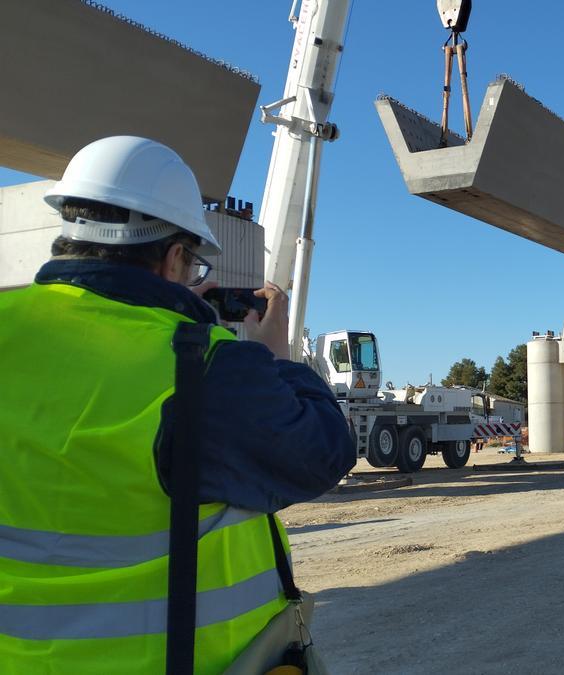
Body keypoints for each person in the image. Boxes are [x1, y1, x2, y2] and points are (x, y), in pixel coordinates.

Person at [0, 136, 356, 673]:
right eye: (191, 267)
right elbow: (325, 452)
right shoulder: (200, 366)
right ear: (173, 258)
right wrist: (275, 358)